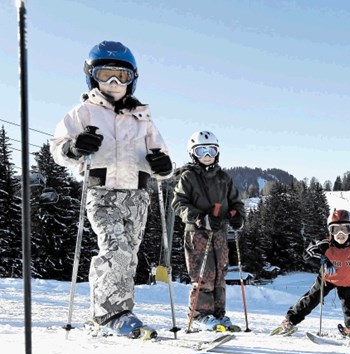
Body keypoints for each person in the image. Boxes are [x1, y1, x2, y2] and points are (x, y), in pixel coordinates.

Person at [51, 41, 173, 338]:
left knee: (129, 254)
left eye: (122, 75)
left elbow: (163, 158)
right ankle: (108, 313)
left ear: (133, 78)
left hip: (138, 195)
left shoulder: (142, 117)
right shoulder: (85, 112)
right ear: (92, 77)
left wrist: (162, 165)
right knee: (115, 250)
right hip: (102, 191)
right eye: (106, 75)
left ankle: (121, 311)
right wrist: (74, 147)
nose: (115, 83)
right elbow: (58, 149)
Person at [172, 131, 245, 332]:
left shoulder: (224, 177)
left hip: (219, 232)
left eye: (211, 150)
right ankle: (200, 315)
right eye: (201, 150)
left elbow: (236, 202)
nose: (207, 155)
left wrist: (238, 216)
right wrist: (200, 218)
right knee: (203, 274)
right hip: (197, 233)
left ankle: (218, 314)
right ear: (193, 153)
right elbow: (179, 204)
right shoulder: (188, 176)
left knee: (220, 273)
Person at [272, 209, 350, 338]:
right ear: (330, 231)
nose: (340, 234)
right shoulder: (324, 243)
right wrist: (323, 260)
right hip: (327, 278)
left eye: (345, 229)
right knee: (312, 298)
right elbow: (308, 253)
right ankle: (290, 320)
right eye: (335, 230)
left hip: (348, 279)